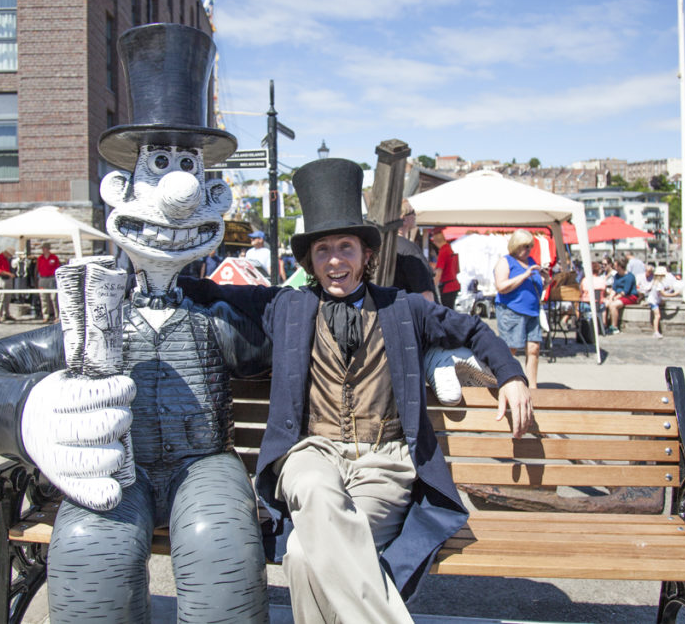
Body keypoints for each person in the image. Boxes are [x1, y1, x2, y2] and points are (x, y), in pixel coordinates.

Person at [0, 23, 270, 622]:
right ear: (121, 188)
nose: (179, 189)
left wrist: (433, 342)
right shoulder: (95, 317)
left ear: (215, 193)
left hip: (206, 460)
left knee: (219, 540)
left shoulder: (224, 315)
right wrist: (26, 411)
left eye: (190, 167)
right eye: (162, 165)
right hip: (118, 466)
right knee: (94, 546)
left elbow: (323, 326)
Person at [181, 158, 533, 623]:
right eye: (323, 249)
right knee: (313, 489)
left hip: (383, 463)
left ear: (365, 255)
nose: (334, 261)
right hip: (310, 453)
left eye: (345, 247)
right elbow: (205, 291)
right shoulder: (286, 306)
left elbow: (473, 330)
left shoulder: (404, 309)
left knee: (306, 557)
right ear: (310, 260)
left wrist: (510, 375)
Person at [493, 229, 546, 387]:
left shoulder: (531, 260)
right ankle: (505, 382)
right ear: (516, 246)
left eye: (530, 246)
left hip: (532, 311)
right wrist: (525, 275)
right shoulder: (506, 261)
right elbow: (501, 286)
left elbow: (536, 286)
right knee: (511, 349)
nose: (528, 250)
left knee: (534, 348)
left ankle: (532, 386)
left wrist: (546, 279)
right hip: (512, 311)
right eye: (525, 246)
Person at [394, 200, 436, 301]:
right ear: (403, 218)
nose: (415, 216)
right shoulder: (410, 249)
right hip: (412, 312)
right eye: (413, 212)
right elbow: (426, 294)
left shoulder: (382, 246)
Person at [604, 257, 639, 335]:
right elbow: (614, 288)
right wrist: (610, 298)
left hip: (630, 296)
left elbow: (625, 291)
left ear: (620, 266)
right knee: (606, 303)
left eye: (616, 265)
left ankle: (614, 326)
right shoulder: (616, 275)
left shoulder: (630, 276)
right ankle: (604, 325)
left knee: (613, 305)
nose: (614, 267)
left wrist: (615, 298)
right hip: (618, 295)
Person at [431, 228, 460, 309]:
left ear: (435, 242)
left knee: (447, 312)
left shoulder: (443, 251)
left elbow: (439, 271)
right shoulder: (449, 249)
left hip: (447, 287)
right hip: (453, 284)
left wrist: (432, 287)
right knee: (450, 310)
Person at [646, 265, 678, 339]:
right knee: (657, 316)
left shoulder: (656, 282)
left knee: (660, 308)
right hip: (653, 301)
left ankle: (656, 331)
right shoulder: (659, 284)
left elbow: (664, 288)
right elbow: (664, 294)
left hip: (655, 300)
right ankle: (656, 332)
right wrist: (674, 294)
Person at [36, 243, 61, 322]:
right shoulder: (40, 258)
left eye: (44, 248)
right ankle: (45, 315)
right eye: (43, 248)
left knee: (54, 298)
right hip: (43, 279)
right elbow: (37, 269)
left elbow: (58, 268)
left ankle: (57, 315)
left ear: (48, 249)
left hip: (51, 278)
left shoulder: (54, 258)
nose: (43, 250)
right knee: (44, 298)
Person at [0, 246, 15, 322]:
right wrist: (9, 273)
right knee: (1, 298)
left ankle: (6, 314)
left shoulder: (7, 259)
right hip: (1, 279)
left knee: (7, 298)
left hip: (7, 279)